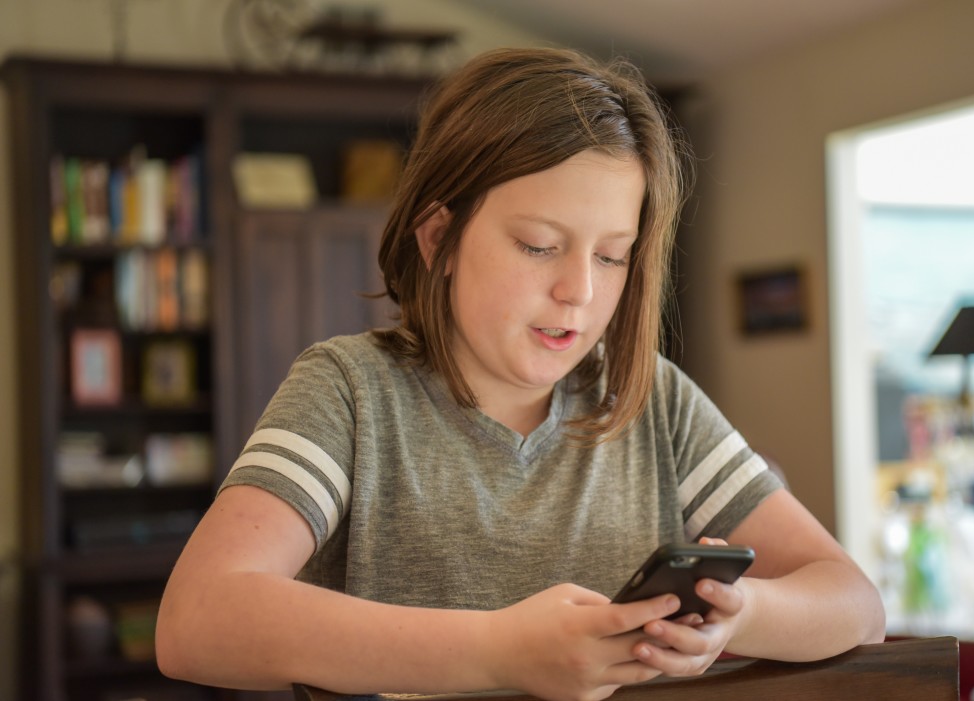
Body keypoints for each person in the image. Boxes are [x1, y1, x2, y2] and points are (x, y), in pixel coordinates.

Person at [155, 46, 884, 701]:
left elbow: (856, 603)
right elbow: (195, 620)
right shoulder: (349, 392)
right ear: (439, 237)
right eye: (539, 246)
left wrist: (742, 614)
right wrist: (501, 650)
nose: (581, 291)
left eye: (611, 256)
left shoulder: (652, 399)